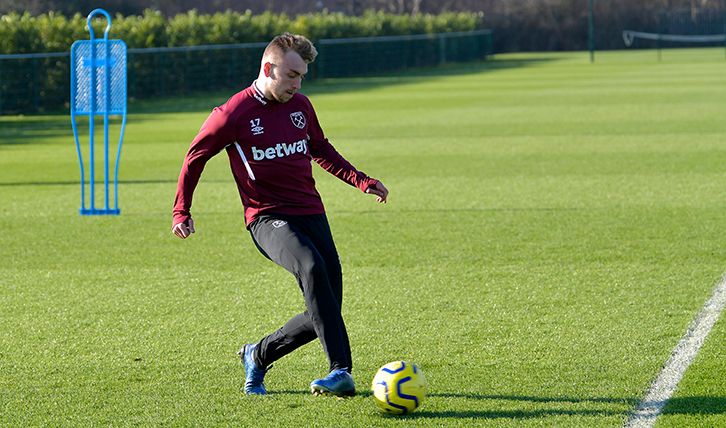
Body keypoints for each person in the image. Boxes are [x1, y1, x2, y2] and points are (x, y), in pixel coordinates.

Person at [171, 33, 388, 398]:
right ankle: (341, 371)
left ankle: (257, 354)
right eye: (291, 75)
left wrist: (361, 180)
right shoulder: (232, 115)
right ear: (268, 68)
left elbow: (320, 149)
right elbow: (195, 157)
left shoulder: (301, 106)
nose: (297, 83)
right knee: (313, 268)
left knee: (325, 308)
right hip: (267, 217)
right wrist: (182, 210)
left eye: (302, 75)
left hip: (311, 211)